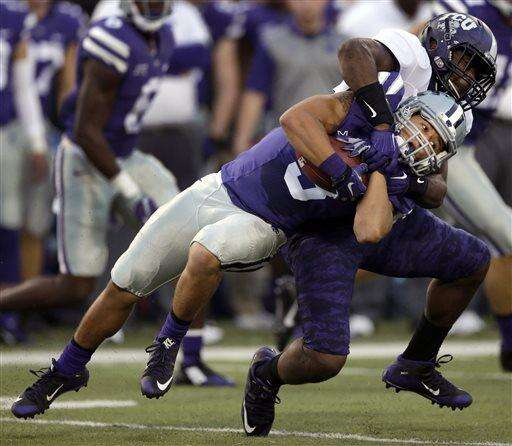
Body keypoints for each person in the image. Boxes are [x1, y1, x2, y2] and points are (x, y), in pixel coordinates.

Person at [11, 67, 463, 419]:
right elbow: (294, 119)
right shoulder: (355, 110)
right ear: (402, 111)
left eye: (433, 140)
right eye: (422, 126)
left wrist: (383, 170)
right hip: (221, 187)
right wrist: (343, 168)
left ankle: (168, 343)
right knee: (126, 280)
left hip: (266, 222)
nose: (422, 140)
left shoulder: (396, 176)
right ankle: (66, 370)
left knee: (206, 252)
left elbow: (369, 230)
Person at [0, 1, 178, 321]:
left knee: (188, 238)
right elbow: (85, 131)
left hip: (126, 154)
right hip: (85, 158)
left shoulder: (165, 37)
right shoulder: (111, 40)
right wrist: (130, 192)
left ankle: (191, 348)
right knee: (76, 285)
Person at [429, 0, 512, 371]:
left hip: (468, 146)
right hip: (440, 144)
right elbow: (417, 45)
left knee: (389, 242)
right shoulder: (468, 13)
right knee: (504, 233)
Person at [0, 0, 48, 343]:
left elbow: (23, 86)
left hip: (4, 133)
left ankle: (8, 315)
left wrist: (36, 141)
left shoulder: (13, 16)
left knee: (7, 223)